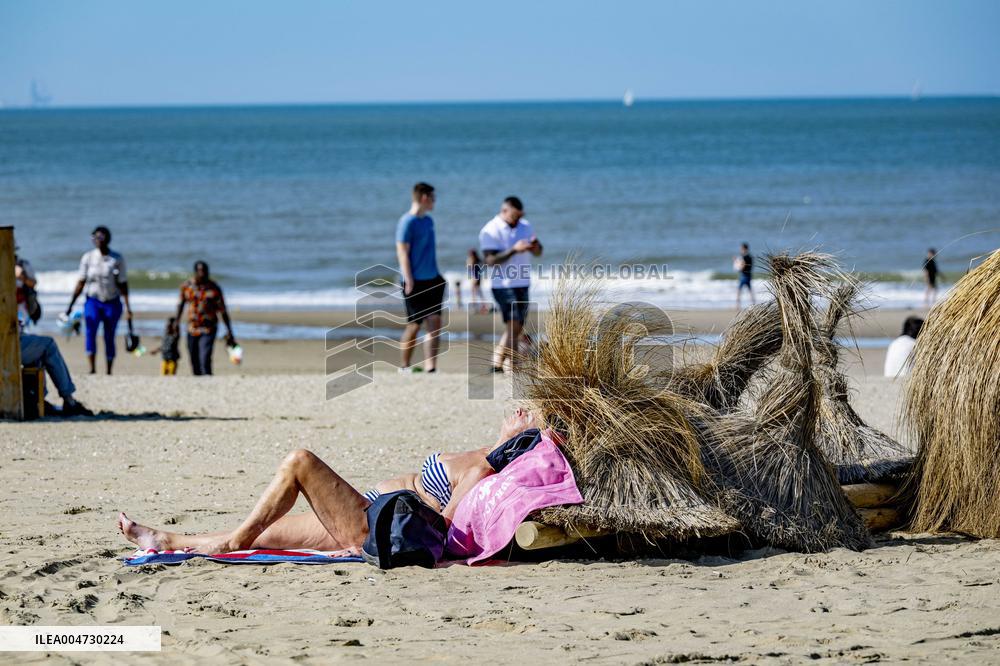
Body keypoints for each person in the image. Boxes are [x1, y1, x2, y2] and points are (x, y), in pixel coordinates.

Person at [118, 408, 538, 555]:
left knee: (299, 462)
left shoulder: (482, 469)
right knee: (260, 534)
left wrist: (368, 546)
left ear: (522, 440)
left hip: (371, 525)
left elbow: (443, 525)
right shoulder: (480, 452)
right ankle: (164, 540)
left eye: (527, 417)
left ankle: (221, 545)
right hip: (366, 512)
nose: (520, 411)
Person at [480, 196, 543, 373]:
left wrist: (535, 247)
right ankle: (512, 365)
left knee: (517, 326)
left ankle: (497, 362)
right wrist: (514, 250)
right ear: (504, 211)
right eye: (514, 216)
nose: (517, 220)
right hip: (502, 283)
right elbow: (490, 260)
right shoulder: (491, 229)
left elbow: (539, 252)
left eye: (519, 216)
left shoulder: (526, 225)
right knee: (514, 323)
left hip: (523, 282)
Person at [65, 226, 133, 375]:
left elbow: (123, 284)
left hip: (112, 302)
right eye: (95, 238)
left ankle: (109, 370)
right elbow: (81, 282)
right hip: (93, 301)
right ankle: (92, 369)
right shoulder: (88, 258)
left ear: (107, 239)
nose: (98, 241)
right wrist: (70, 305)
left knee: (109, 335)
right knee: (90, 331)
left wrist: (128, 308)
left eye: (101, 238)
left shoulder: (117, 259)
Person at [395, 182, 446, 373]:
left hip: (433, 279)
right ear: (424, 198)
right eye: (433, 198)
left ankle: (430, 368)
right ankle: (404, 366)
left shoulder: (429, 221)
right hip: (414, 281)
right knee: (414, 326)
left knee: (435, 324)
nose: (435, 201)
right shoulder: (406, 222)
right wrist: (408, 278)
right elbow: (402, 252)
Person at [176, 261, 237, 376]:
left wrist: (229, 330)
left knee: (205, 358)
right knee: (194, 360)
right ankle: (198, 385)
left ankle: (208, 382)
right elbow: (181, 304)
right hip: (192, 328)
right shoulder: (187, 286)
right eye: (200, 271)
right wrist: (176, 322)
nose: (203, 274)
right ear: (195, 272)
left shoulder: (214, 288)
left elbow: (223, 310)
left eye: (205, 271)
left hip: (209, 328)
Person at [14, 247, 40, 327]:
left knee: (21, 328)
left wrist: (22, 277)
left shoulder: (23, 264)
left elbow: (33, 283)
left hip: (21, 305)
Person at [735, 243, 754, 308]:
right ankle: (753, 303)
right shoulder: (750, 257)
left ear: (744, 249)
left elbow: (743, 265)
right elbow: (750, 266)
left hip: (744, 275)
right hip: (749, 275)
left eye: (741, 249)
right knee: (750, 290)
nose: (740, 250)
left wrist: (738, 267)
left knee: (739, 290)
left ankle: (737, 305)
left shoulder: (744, 257)